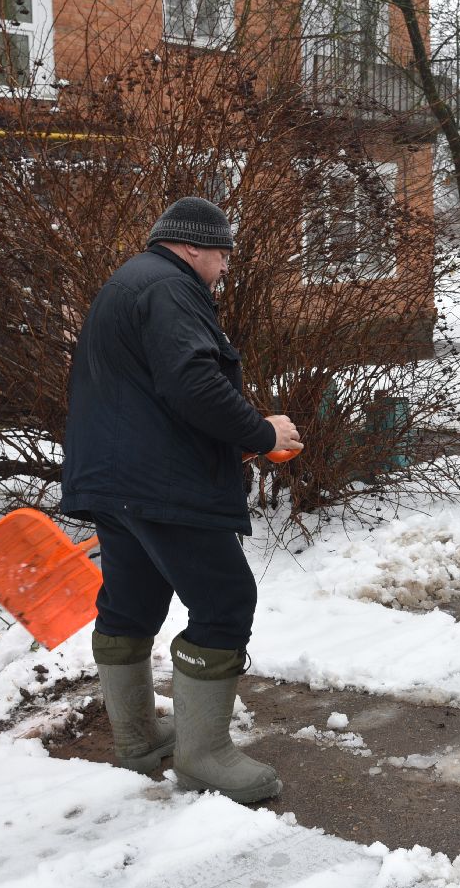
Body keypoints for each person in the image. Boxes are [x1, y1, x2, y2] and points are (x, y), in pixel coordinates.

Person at [61, 195, 302, 803]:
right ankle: (204, 756)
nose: (224, 270)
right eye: (223, 256)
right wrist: (259, 433)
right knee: (224, 602)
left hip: (115, 483)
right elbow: (192, 381)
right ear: (195, 246)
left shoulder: (129, 282)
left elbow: (144, 391)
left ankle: (138, 737)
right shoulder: (170, 289)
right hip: (161, 486)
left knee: (132, 601)